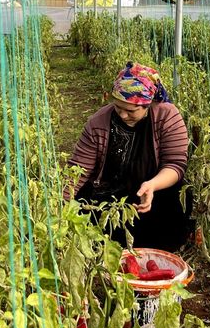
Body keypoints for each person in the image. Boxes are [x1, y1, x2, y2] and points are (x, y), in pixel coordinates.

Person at [66, 62, 192, 252]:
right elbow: (78, 171)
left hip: (153, 194)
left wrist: (152, 185)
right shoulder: (98, 124)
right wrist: (60, 204)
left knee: (180, 196)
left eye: (131, 110)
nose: (123, 115)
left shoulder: (166, 116)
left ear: (148, 104)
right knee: (90, 212)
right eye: (118, 107)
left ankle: (159, 246)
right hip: (112, 195)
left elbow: (175, 164)